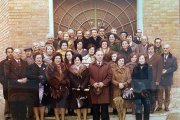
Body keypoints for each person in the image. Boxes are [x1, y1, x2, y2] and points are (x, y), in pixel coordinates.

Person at [4, 48, 29, 120]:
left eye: (19, 53)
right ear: (13, 54)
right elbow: (7, 74)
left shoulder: (25, 62)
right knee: (14, 106)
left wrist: (26, 78)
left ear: (21, 54)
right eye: (16, 53)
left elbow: (28, 73)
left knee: (23, 105)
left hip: (23, 88)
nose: (18, 54)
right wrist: (18, 80)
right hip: (13, 87)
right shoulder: (8, 63)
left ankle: (23, 117)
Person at [89, 50, 112, 120]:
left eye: (101, 55)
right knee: (95, 111)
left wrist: (103, 83)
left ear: (103, 56)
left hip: (104, 90)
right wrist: (93, 83)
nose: (100, 56)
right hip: (94, 90)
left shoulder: (107, 65)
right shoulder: (91, 65)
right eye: (98, 55)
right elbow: (88, 77)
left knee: (105, 111)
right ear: (95, 56)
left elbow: (110, 76)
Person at [27, 52, 50, 120]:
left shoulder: (46, 66)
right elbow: (29, 76)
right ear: (34, 59)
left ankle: (42, 117)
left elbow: (48, 76)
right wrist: (38, 77)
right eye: (37, 58)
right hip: (34, 87)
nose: (39, 59)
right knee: (35, 103)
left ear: (42, 58)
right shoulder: (30, 67)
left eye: (40, 58)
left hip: (44, 87)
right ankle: (37, 117)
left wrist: (44, 81)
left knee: (42, 102)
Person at [46, 53, 69, 120]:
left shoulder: (64, 66)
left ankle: (63, 118)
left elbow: (67, 76)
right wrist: (57, 84)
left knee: (63, 105)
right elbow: (49, 78)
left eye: (59, 58)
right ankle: (57, 118)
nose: (58, 60)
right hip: (54, 89)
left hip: (64, 88)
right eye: (56, 58)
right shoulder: (50, 66)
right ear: (54, 59)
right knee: (56, 105)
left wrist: (65, 82)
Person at [69, 54, 90, 120]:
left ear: (80, 60)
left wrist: (83, 86)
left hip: (84, 88)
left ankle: (84, 118)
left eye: (78, 60)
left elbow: (87, 77)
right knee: (77, 104)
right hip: (75, 89)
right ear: (73, 61)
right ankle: (79, 117)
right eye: (75, 60)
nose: (77, 61)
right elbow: (71, 78)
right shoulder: (71, 69)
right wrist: (78, 85)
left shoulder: (85, 68)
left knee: (84, 105)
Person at [156, 44, 177, 111]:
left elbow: (175, 67)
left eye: (167, 48)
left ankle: (166, 106)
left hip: (168, 80)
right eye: (164, 48)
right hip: (160, 79)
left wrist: (167, 71)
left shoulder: (173, 58)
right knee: (160, 94)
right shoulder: (159, 57)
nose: (165, 49)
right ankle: (159, 106)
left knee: (167, 94)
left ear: (169, 49)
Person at [131, 54, 153, 120]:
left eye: (142, 58)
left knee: (146, 109)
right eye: (140, 58)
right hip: (137, 92)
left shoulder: (149, 67)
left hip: (146, 91)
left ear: (145, 59)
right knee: (138, 109)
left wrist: (141, 84)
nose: (141, 60)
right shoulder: (135, 68)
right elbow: (133, 78)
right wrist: (137, 84)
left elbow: (150, 79)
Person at [111, 55, 131, 120]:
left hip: (125, 89)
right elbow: (112, 79)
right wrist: (118, 84)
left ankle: (123, 118)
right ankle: (120, 118)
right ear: (117, 61)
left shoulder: (127, 69)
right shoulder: (113, 70)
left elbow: (129, 79)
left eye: (122, 61)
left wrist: (124, 84)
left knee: (124, 105)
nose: (121, 62)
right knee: (118, 105)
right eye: (120, 60)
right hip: (117, 89)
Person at [146, 44, 163, 113]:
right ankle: (147, 107)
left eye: (151, 49)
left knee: (152, 94)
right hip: (146, 80)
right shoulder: (145, 56)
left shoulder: (158, 57)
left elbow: (160, 70)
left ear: (154, 49)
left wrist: (157, 80)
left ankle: (152, 108)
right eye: (149, 49)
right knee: (147, 94)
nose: (150, 50)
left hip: (153, 80)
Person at [0, 47, 13, 120]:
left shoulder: (15, 61)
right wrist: (4, 82)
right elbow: (0, 74)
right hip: (6, 84)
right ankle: (7, 113)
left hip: (14, 84)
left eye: (11, 52)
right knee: (7, 98)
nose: (10, 53)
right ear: (6, 53)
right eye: (8, 52)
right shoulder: (2, 63)